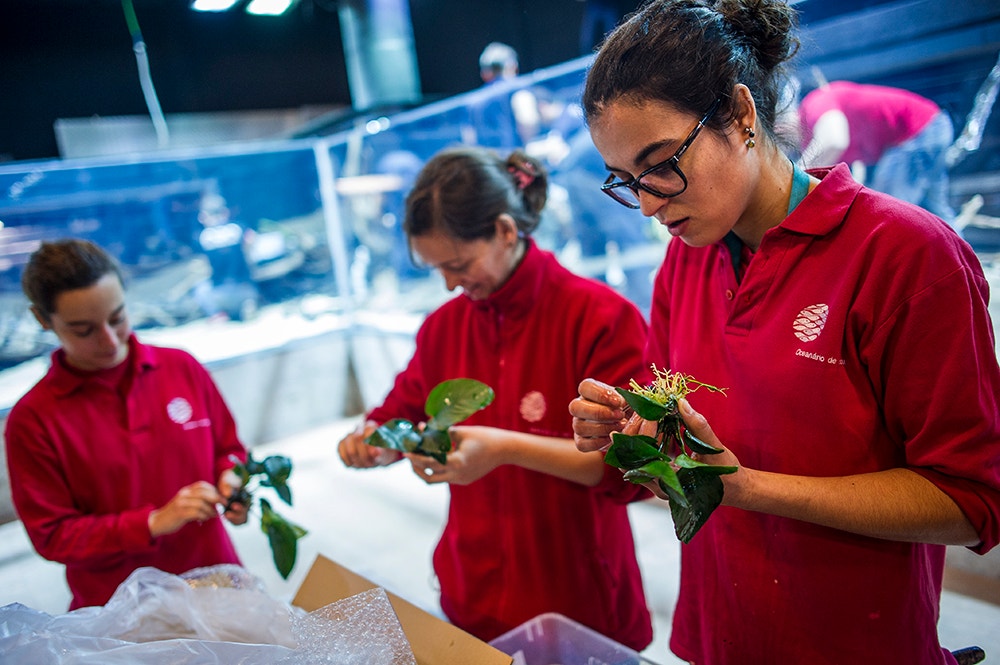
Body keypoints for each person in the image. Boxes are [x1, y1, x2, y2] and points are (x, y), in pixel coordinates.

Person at [569, 1, 1000, 664]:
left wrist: (744, 485)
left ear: (741, 116)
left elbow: (972, 500)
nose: (650, 203)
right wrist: (638, 436)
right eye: (627, 182)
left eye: (661, 163)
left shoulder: (908, 258)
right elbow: (687, 471)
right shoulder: (683, 267)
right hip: (720, 631)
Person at [337, 146, 654, 650]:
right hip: (473, 588)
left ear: (506, 230)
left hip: (576, 596)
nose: (449, 284)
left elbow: (628, 468)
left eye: (459, 264)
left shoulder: (599, 318)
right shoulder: (444, 328)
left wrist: (504, 448)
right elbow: (399, 412)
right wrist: (376, 444)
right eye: (436, 268)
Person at [4, 238, 250, 610]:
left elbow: (229, 450)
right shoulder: (33, 420)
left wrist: (231, 480)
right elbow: (52, 535)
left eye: (117, 317)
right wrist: (151, 522)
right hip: (118, 610)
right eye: (83, 330)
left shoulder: (181, 368)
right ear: (43, 320)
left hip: (217, 580)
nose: (109, 340)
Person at [798, 79, 957, 223]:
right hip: (932, 125)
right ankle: (963, 254)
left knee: (889, 211)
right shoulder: (809, 138)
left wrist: (797, 177)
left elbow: (834, 142)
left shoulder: (814, 103)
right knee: (935, 210)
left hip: (917, 131)